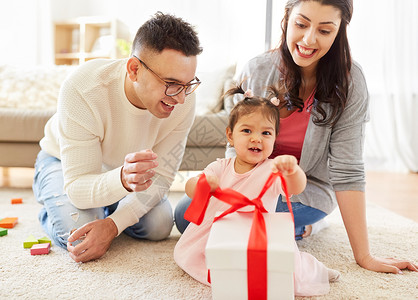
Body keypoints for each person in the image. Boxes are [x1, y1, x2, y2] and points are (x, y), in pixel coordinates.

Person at [175, 0, 417, 274]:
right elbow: (236, 149)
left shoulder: (350, 82)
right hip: (247, 184)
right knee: (185, 214)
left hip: (304, 190)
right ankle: (293, 230)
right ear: (286, 20)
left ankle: (309, 224)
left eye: (325, 31)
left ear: (339, 32)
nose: (309, 39)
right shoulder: (257, 69)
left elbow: (347, 171)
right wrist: (230, 185)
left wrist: (364, 255)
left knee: (242, 222)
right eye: (301, 24)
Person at [32, 12, 202, 263]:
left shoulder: (183, 100)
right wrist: (121, 180)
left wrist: (112, 225)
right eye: (171, 83)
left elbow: (163, 176)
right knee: (78, 237)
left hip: (126, 174)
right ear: (134, 70)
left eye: (188, 85)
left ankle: (105, 208)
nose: (180, 98)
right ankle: (51, 198)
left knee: (158, 226)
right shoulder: (83, 87)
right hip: (63, 163)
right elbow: (79, 187)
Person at [174, 85, 340, 296]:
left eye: (266, 133)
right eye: (246, 131)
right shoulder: (220, 166)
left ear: (274, 138)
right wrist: (202, 185)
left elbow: (297, 187)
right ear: (230, 136)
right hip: (222, 231)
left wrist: (292, 171)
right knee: (195, 258)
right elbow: (191, 186)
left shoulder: (271, 169)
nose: (256, 138)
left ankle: (316, 269)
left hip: (257, 234)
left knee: (286, 273)